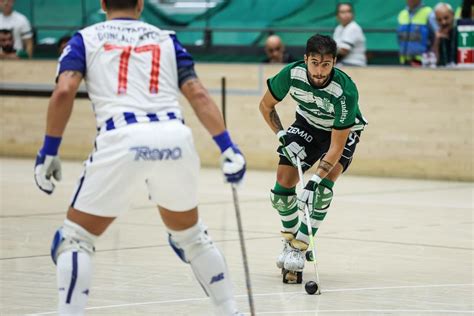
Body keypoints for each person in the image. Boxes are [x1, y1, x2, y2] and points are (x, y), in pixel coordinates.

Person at [33, 0, 246, 315]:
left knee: (74, 239)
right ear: (141, 4)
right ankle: (230, 311)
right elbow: (198, 93)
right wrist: (228, 147)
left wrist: (49, 150)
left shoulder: (85, 38)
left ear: (103, 3)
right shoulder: (166, 38)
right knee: (192, 237)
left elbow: (64, 91)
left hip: (122, 139)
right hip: (175, 139)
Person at [259, 34, 367, 283]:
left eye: (326, 64)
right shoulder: (290, 74)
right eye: (315, 63)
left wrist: (314, 181)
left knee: (322, 191)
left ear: (334, 63)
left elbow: (336, 146)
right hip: (307, 123)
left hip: (341, 132)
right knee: (282, 185)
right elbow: (265, 106)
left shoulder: (345, 92)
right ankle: (288, 240)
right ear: (305, 59)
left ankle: (300, 246)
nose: (320, 71)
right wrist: (282, 136)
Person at [397, 0, 438, 66]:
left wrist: (432, 58)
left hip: (423, 63)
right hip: (404, 63)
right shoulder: (402, 14)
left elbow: (437, 36)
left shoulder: (429, 13)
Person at [333, 2, 367, 66]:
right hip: (343, 64)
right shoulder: (338, 28)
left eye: (348, 11)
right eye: (342, 12)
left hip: (355, 64)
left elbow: (343, 51)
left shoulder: (353, 27)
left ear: (353, 14)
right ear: (337, 16)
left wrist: (330, 62)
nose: (346, 14)